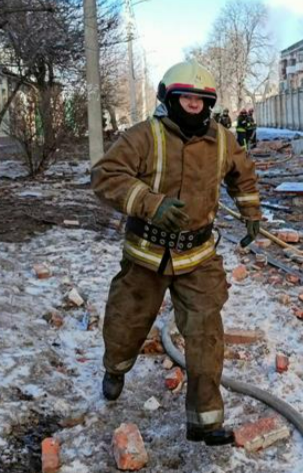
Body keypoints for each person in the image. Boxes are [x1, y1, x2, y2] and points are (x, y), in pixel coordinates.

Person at [91, 60, 262, 446]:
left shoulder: (222, 140)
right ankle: (115, 367)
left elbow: (244, 174)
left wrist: (251, 212)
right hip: (145, 256)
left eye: (201, 100)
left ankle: (205, 419)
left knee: (205, 334)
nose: (194, 105)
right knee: (125, 323)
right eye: (186, 97)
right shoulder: (143, 136)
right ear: (169, 98)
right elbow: (105, 176)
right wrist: (151, 204)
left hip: (198, 258)